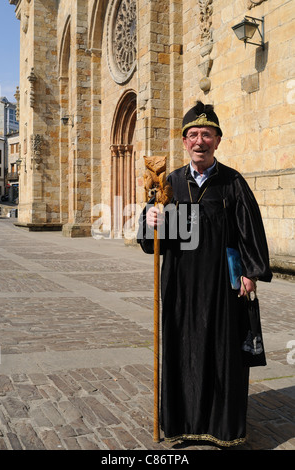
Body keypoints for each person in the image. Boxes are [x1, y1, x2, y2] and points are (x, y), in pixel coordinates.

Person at [137, 101, 272, 447]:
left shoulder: (232, 183)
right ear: (184, 142)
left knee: (222, 354)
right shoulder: (169, 185)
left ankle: (222, 428)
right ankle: (182, 423)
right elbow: (156, 243)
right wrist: (149, 222)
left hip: (222, 287)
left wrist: (251, 273)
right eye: (193, 135)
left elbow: (249, 231)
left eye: (206, 135)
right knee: (182, 350)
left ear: (217, 140)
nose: (200, 141)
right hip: (180, 285)